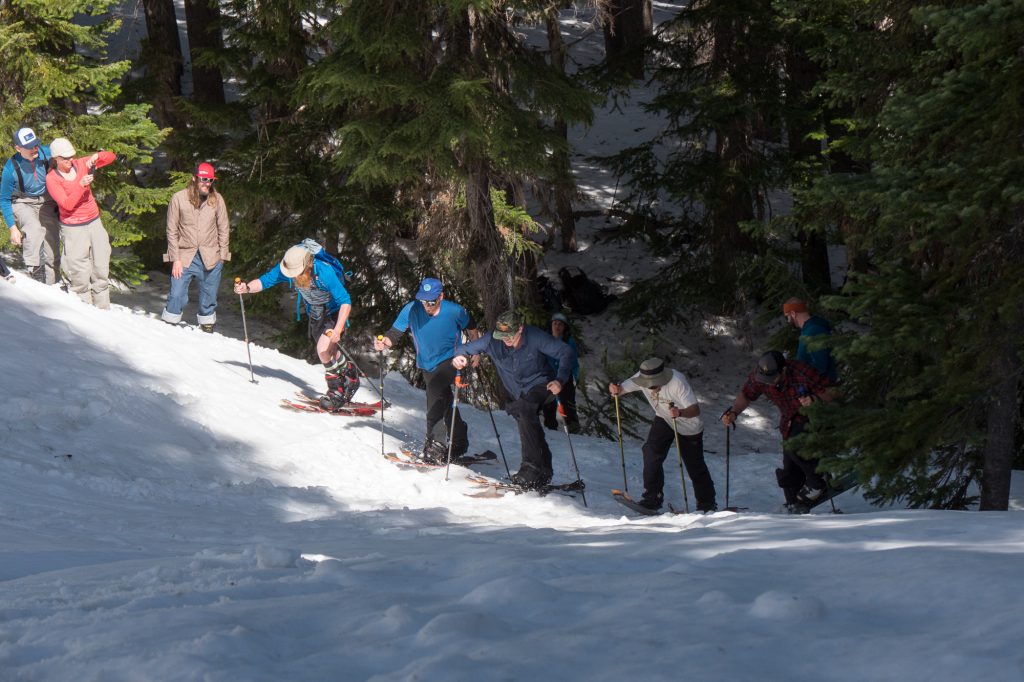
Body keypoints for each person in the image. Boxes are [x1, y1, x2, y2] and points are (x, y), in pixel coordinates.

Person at [451, 309, 573, 489]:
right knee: (526, 420)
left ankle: (530, 469)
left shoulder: (535, 336)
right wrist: (459, 357)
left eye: (509, 335)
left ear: (520, 329)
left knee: (524, 409)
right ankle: (544, 470)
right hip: (516, 391)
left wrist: (560, 380)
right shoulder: (493, 339)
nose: (505, 339)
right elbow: (465, 348)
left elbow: (566, 352)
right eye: (502, 335)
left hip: (542, 384)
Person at [234, 243, 358, 409]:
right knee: (330, 351)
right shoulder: (287, 268)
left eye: (297, 273)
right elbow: (265, 281)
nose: (294, 276)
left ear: (308, 265)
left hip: (334, 312)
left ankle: (337, 391)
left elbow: (345, 301)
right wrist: (247, 287)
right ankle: (351, 374)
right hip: (316, 314)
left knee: (323, 350)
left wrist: (338, 329)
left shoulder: (325, 272)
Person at [373, 278, 479, 461]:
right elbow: (394, 334)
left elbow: (472, 326)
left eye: (431, 301)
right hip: (426, 362)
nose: (426, 305)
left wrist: (475, 350)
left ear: (441, 297)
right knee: (442, 399)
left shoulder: (454, 311)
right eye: (423, 301)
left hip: (451, 359)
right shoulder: (412, 309)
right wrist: (383, 343)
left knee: (435, 392)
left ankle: (436, 443)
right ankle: (460, 439)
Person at [721, 350, 836, 512]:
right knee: (789, 467)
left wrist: (814, 400)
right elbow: (746, 395)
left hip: (814, 417)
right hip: (789, 420)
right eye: (764, 380)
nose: (768, 383)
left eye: (772, 379)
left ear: (783, 370)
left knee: (796, 446)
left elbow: (833, 393)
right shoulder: (760, 376)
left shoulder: (801, 372)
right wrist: (734, 412)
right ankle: (794, 504)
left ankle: (820, 481)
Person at [609, 358, 717, 512]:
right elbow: (621, 389)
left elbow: (695, 410)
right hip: (664, 419)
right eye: (647, 385)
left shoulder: (677, 382)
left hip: (688, 425)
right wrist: (615, 389)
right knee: (651, 452)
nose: (651, 388)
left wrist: (679, 412)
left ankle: (707, 504)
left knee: (694, 465)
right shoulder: (642, 376)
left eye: (654, 385)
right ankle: (652, 498)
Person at [44, 137, 115, 308]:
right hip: (73, 228)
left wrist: (97, 157)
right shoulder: (52, 179)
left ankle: (104, 311)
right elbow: (66, 204)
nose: (70, 160)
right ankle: (86, 313)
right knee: (79, 274)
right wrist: (81, 185)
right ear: (56, 159)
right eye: (65, 158)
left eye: (71, 156)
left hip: (94, 222)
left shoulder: (81, 164)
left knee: (101, 267)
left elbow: (111, 156)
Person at [160, 163, 231, 333]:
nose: (207, 183)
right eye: (203, 179)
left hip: (211, 256)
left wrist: (222, 256)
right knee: (176, 294)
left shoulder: (217, 199)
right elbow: (171, 230)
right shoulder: (178, 198)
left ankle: (206, 328)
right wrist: (175, 258)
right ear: (194, 178)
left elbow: (224, 228)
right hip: (184, 256)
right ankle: (169, 327)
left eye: (210, 180)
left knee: (209, 297)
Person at [1, 127, 61, 284]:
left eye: (36, 144)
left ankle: (54, 282)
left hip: (46, 200)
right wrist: (12, 228)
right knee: (33, 228)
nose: (35, 148)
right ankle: (35, 271)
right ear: (18, 148)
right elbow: (4, 199)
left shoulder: (46, 153)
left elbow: (67, 159)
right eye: (30, 147)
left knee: (52, 239)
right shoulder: (10, 168)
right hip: (23, 201)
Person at [542, 312, 581, 433]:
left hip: (565, 378)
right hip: (548, 377)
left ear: (565, 327)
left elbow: (573, 362)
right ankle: (551, 431)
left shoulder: (569, 341)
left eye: (560, 324)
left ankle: (573, 430)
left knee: (568, 405)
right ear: (551, 325)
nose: (557, 326)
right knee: (548, 405)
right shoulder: (544, 340)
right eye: (555, 323)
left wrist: (575, 376)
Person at [783, 297, 838, 382]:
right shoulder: (808, 330)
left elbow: (820, 365)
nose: (788, 321)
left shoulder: (814, 331)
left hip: (821, 387)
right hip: (814, 385)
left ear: (793, 313)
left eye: (788, 317)